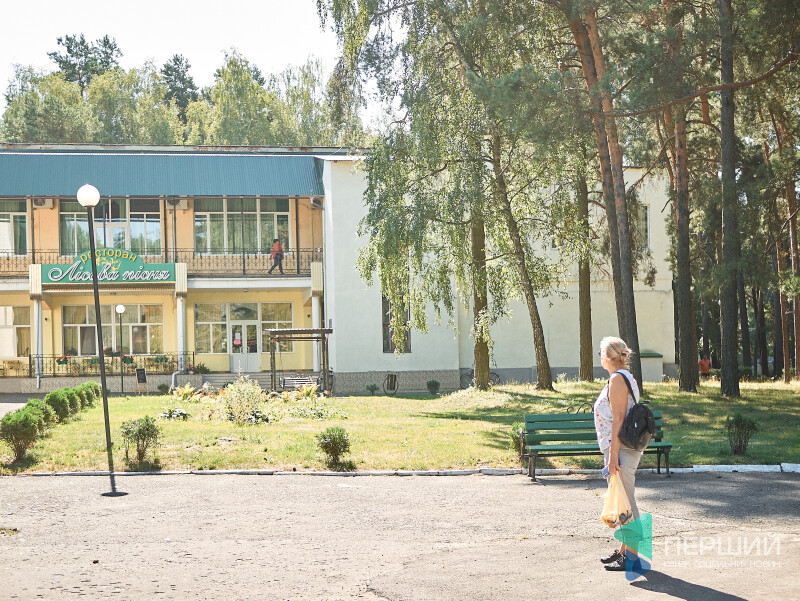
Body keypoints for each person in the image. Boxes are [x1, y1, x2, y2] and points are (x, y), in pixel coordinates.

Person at [594, 336, 644, 572]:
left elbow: (618, 420)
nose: (599, 357)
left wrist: (613, 456)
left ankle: (632, 559)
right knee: (623, 501)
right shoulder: (623, 377)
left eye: (600, 353)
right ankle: (624, 552)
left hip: (620, 449)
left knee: (627, 504)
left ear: (607, 356)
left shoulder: (617, 380)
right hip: (621, 448)